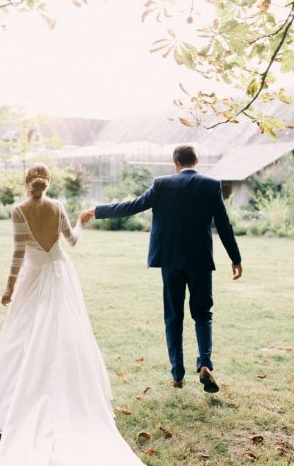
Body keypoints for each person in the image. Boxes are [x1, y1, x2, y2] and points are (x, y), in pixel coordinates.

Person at [0, 163, 151, 466]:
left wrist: (9, 287)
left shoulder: (18, 210)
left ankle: (16, 396)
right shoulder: (58, 207)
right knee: (63, 336)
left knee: (21, 338)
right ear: (47, 182)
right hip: (60, 277)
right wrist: (81, 223)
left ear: (26, 182)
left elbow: (18, 254)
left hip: (32, 278)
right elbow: (71, 241)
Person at [82, 145, 243, 393]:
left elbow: (133, 206)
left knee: (173, 316)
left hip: (170, 260)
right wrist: (235, 258)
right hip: (200, 261)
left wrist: (97, 211)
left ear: (175, 161)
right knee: (203, 313)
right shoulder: (211, 185)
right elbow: (223, 224)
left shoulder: (162, 184)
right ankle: (204, 363)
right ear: (197, 160)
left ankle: (177, 375)